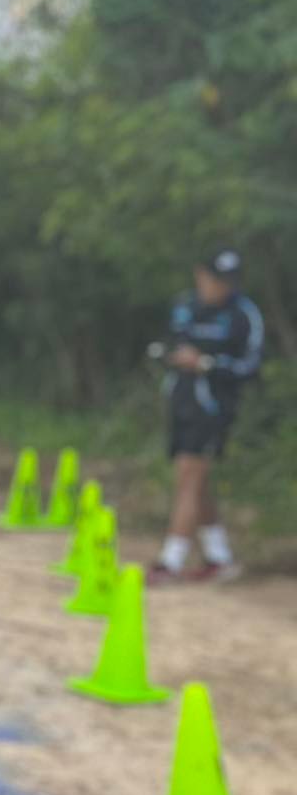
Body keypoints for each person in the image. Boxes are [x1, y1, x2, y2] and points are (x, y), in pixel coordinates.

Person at [148, 247, 263, 586]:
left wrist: (207, 364)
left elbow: (250, 366)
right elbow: (167, 345)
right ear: (201, 276)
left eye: (229, 280)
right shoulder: (185, 307)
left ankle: (170, 561)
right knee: (194, 479)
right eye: (216, 279)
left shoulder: (244, 314)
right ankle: (219, 557)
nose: (222, 287)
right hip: (181, 400)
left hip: (215, 407)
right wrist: (170, 356)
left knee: (190, 474)